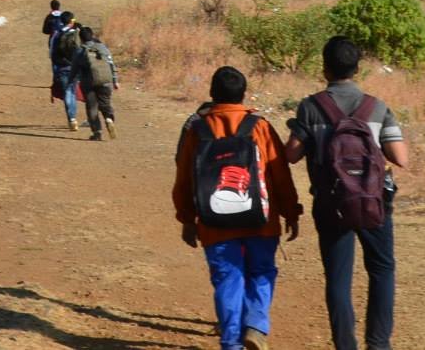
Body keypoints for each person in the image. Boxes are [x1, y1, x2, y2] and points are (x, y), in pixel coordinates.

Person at [284, 36, 408, 350]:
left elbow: (291, 155)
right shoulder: (377, 107)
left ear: (325, 67)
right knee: (381, 268)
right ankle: (379, 344)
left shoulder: (311, 107)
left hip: (331, 203)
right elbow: (401, 158)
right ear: (357, 69)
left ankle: (345, 344)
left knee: (338, 277)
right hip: (374, 201)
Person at [173, 65, 301, 350]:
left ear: (212, 94)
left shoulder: (197, 128)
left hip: (213, 221)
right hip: (261, 220)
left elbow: (184, 177)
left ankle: (231, 342)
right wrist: (291, 212)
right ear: (243, 95)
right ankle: (256, 325)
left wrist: (187, 219)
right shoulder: (260, 126)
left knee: (228, 279)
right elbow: (280, 173)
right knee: (262, 271)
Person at [76, 25, 118, 140]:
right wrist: (115, 80)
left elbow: (75, 69)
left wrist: (71, 82)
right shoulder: (102, 48)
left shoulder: (80, 51)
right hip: (105, 80)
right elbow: (111, 64)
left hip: (88, 83)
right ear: (92, 36)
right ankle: (109, 118)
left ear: (81, 39)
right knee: (105, 103)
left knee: (92, 108)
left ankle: (97, 132)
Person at [49, 16, 84, 130]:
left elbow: (51, 54)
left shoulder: (56, 34)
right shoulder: (76, 34)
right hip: (74, 67)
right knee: (73, 92)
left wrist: (55, 72)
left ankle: (72, 118)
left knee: (67, 92)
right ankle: (73, 117)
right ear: (70, 22)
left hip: (62, 68)